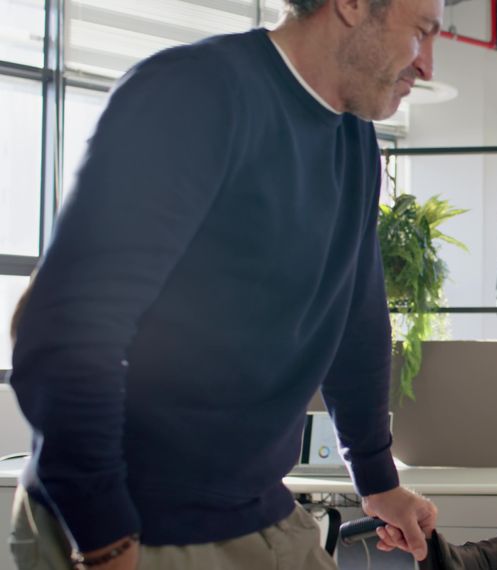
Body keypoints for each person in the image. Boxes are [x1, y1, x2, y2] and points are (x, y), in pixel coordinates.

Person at [7, 0, 443, 568]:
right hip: (136, 521)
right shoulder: (193, 94)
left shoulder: (353, 137)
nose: (429, 65)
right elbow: (65, 333)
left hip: (257, 504)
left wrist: (377, 479)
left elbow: (356, 319)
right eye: (422, 33)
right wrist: (104, 532)